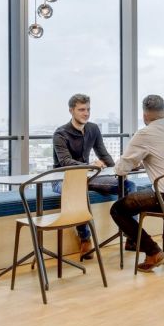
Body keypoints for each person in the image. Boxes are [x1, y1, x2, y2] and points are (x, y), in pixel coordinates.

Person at [112, 95, 164, 272]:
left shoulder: (145, 134)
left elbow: (121, 169)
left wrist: (133, 162)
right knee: (163, 190)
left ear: (144, 115)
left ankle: (152, 252)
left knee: (118, 209)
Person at [52, 93, 135, 259]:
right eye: (81, 110)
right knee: (79, 190)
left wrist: (118, 172)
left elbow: (103, 154)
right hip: (63, 180)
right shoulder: (60, 133)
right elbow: (65, 161)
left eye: (88, 109)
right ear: (71, 111)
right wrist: (90, 166)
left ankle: (131, 234)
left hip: (88, 176)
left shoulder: (93, 129)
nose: (86, 113)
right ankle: (85, 238)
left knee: (129, 186)